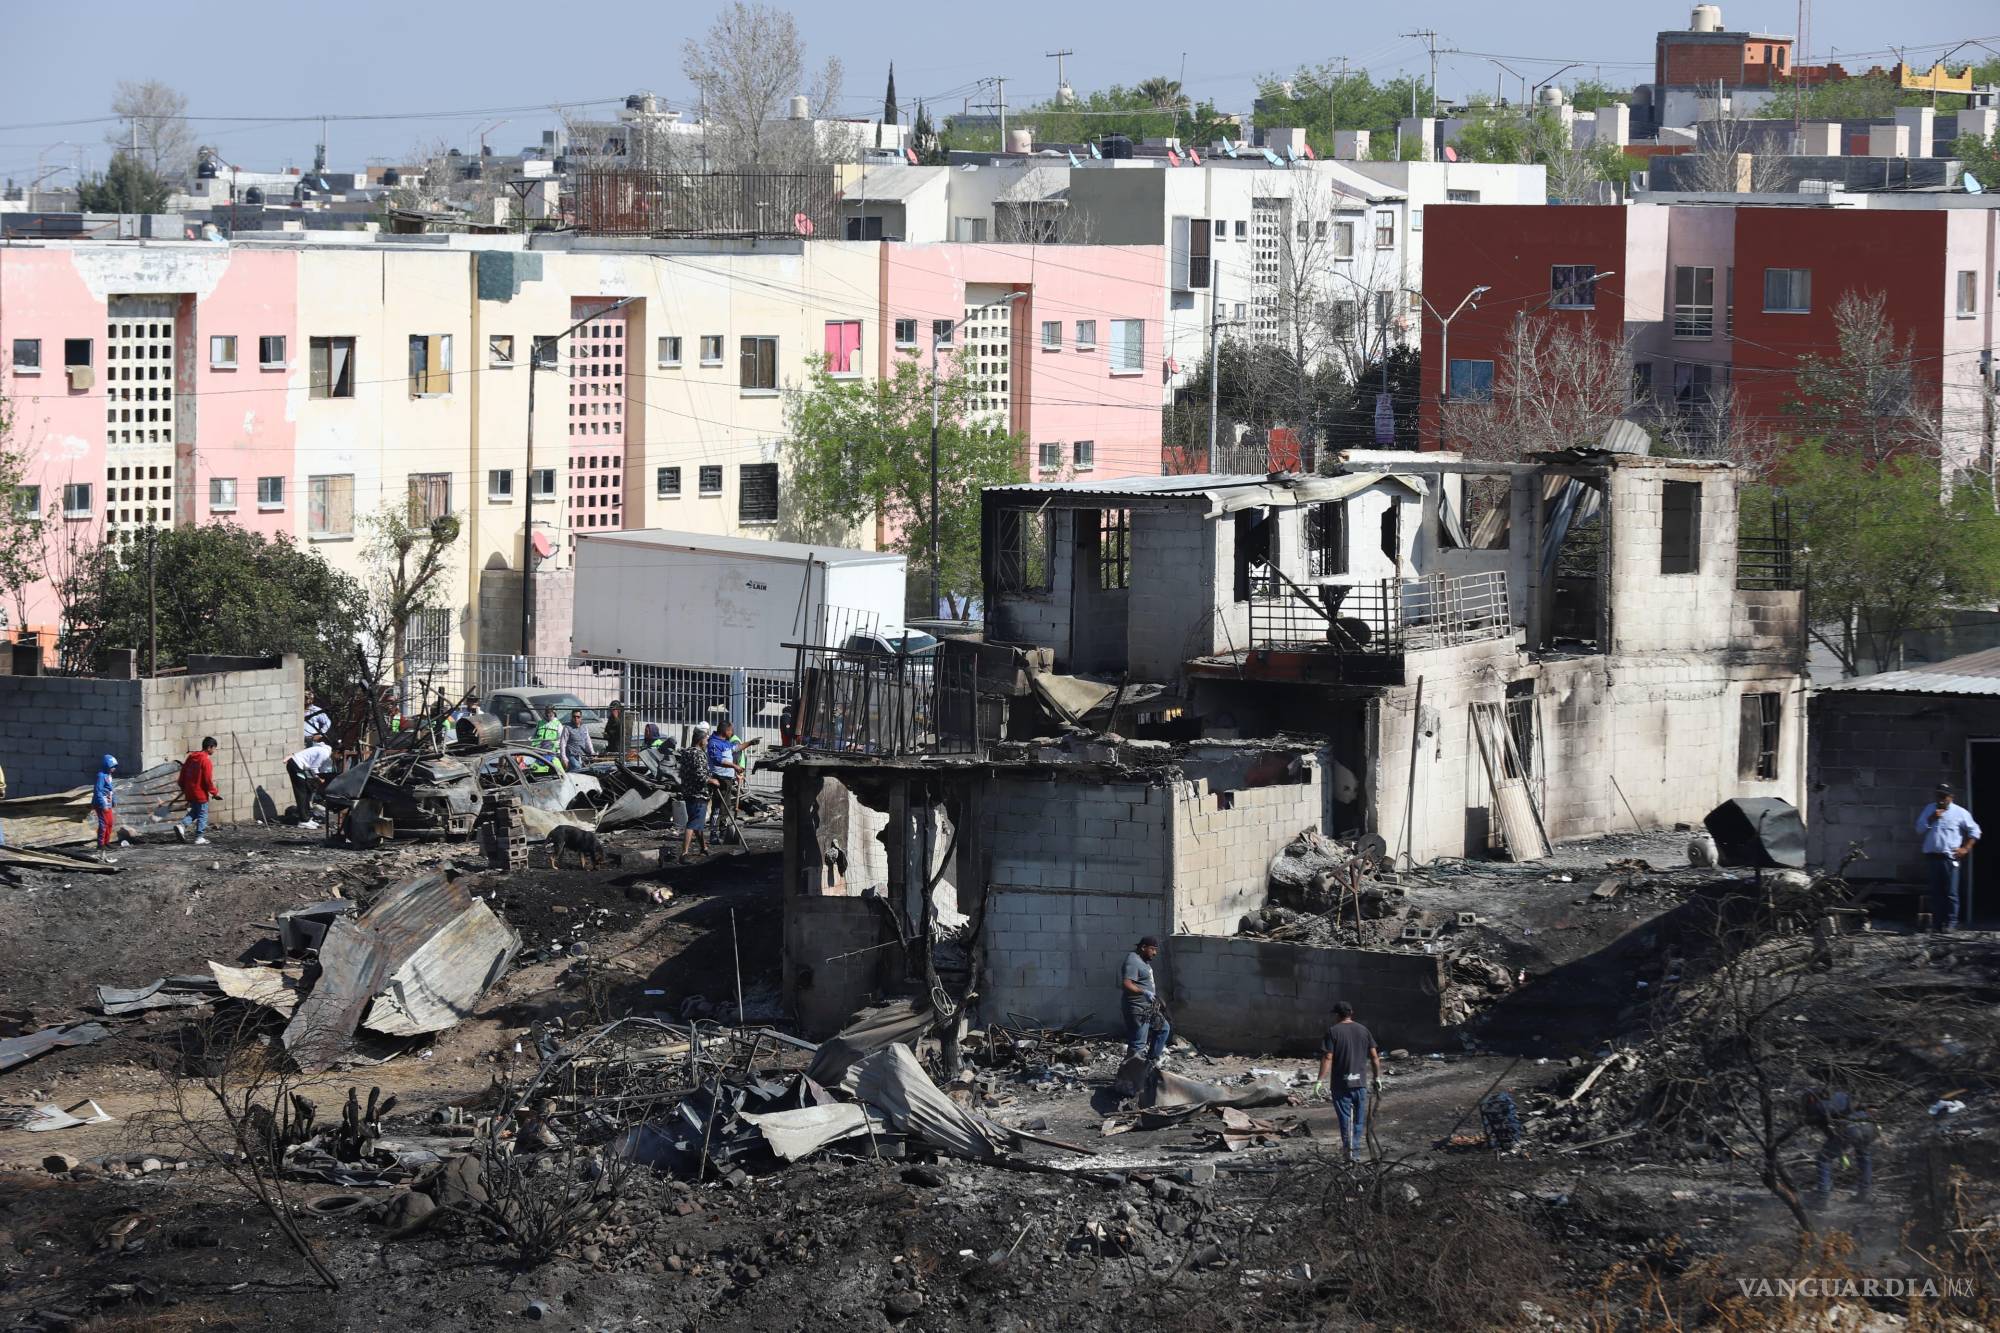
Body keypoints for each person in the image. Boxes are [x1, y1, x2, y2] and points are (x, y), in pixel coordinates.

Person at [1315, 1001, 1383, 1161]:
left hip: (1341, 1085)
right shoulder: (1364, 1030)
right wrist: (1377, 1077)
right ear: (1351, 1013)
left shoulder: (1333, 1032)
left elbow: (1328, 1057)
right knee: (1358, 1122)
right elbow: (1374, 1057)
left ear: (1338, 1015)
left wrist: (1319, 1081)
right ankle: (1356, 1155)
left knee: (1345, 1121)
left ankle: (1349, 1155)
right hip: (1360, 1084)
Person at [1915, 783, 1980, 932]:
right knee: (1936, 892)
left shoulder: (1960, 812)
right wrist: (1931, 819)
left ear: (1951, 797)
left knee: (1951, 892)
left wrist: (1965, 848)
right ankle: (1937, 923)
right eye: (1939, 795)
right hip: (1932, 858)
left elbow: (1975, 831)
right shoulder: (1929, 809)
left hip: (1949, 859)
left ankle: (1951, 922)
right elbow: (1919, 829)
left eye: (1944, 796)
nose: (1941, 799)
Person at [1803, 1085, 1875, 1206]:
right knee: (1864, 1155)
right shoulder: (1841, 1095)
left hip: (1850, 1130)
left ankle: (1822, 1198)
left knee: (1823, 1159)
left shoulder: (1817, 1105)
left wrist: (1840, 1148)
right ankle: (1865, 1193)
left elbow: (1827, 1129)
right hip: (1869, 1127)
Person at [1120, 937, 1171, 1065]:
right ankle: (1130, 1076)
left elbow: (1144, 982)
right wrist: (1144, 992)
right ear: (1143, 947)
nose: (1155, 953)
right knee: (1138, 1045)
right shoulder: (1132, 961)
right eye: (1152, 949)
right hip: (1137, 1009)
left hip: (1148, 1008)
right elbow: (1126, 984)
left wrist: (1155, 997)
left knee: (1163, 1028)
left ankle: (1149, 1063)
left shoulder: (1142, 960)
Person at [174, 736, 222, 846]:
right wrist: (214, 793)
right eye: (214, 748)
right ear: (209, 747)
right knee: (203, 814)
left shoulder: (191, 757)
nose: (214, 751)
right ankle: (199, 837)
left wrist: (182, 785)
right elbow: (207, 780)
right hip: (200, 792)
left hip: (190, 790)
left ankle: (181, 826)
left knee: (195, 811)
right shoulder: (205, 761)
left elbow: (183, 773)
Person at [676, 725, 714, 861]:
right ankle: (684, 852)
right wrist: (712, 780)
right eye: (706, 739)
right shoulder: (698, 754)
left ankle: (703, 847)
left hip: (688, 792)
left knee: (697, 822)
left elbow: (683, 772)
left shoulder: (686, 752)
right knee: (693, 823)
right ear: (701, 739)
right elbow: (700, 775)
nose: (707, 742)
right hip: (698, 793)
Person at [287, 736, 334, 830]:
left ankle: (307, 818)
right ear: (336, 752)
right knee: (301, 793)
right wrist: (318, 778)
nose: (339, 758)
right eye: (340, 756)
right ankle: (303, 821)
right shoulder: (324, 753)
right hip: (295, 766)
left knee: (308, 791)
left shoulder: (324, 751)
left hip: (299, 767)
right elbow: (313, 768)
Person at [90, 754, 119, 864]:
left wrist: (113, 800)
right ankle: (101, 844)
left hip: (108, 802)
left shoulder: (108, 775)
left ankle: (106, 842)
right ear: (107, 765)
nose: (114, 768)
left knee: (110, 822)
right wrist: (103, 804)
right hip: (102, 804)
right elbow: (98, 791)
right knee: (103, 823)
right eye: (112, 766)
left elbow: (110, 790)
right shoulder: (101, 776)